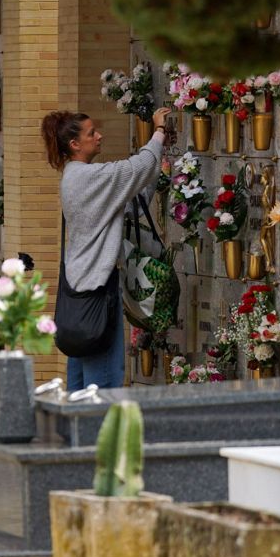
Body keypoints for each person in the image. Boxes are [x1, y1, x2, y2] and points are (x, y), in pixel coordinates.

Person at [41, 107, 174, 390]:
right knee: (102, 386)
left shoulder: (76, 177)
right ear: (74, 144)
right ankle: (98, 435)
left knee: (80, 386)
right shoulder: (87, 177)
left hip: (81, 293)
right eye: (92, 133)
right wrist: (159, 132)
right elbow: (134, 169)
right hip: (97, 293)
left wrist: (156, 166)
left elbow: (130, 204)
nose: (99, 136)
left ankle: (79, 435)